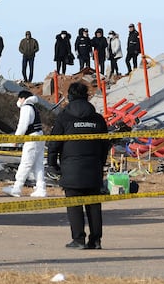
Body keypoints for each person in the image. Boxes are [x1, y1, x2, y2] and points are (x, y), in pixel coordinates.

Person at [47, 81, 110, 250]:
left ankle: (78, 239)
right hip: (93, 168)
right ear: (87, 96)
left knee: (74, 205)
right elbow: (105, 145)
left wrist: (52, 164)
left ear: (70, 97)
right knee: (94, 205)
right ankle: (96, 240)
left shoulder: (63, 118)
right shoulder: (97, 119)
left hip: (71, 169)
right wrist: (100, 164)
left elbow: (54, 144)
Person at [2, 90, 47, 198]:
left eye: (19, 99)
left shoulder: (26, 107)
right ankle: (41, 188)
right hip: (39, 136)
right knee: (38, 164)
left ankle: (17, 188)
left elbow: (22, 125)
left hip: (31, 138)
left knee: (26, 163)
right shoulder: (33, 107)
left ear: (22, 98)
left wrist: (16, 139)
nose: (18, 101)